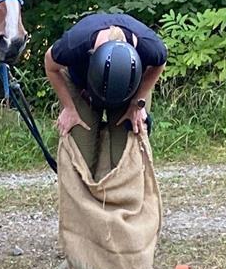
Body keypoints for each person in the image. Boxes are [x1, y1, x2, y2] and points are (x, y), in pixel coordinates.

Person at [44, 12, 167, 173]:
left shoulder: (150, 46)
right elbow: (50, 63)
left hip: (129, 94)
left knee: (125, 158)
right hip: (82, 88)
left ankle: (121, 196)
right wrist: (69, 108)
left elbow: (160, 63)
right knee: (80, 160)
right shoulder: (75, 43)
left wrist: (138, 102)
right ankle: (84, 196)